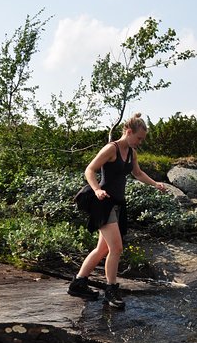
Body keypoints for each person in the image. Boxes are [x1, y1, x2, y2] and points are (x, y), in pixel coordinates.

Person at [68, 113, 166, 309]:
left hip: (117, 204)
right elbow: (90, 169)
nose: (140, 142)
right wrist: (97, 190)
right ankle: (111, 291)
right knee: (116, 249)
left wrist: (155, 183)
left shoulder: (131, 152)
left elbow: (137, 173)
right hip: (102, 203)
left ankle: (78, 283)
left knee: (103, 249)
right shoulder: (110, 149)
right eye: (139, 138)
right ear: (129, 132)